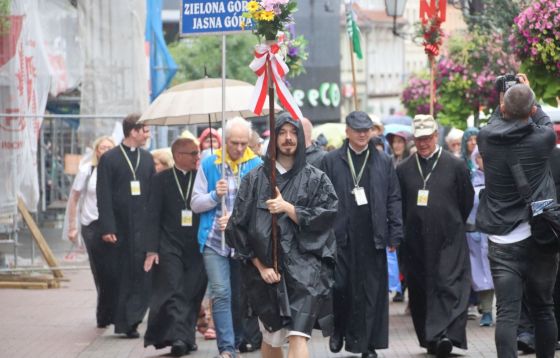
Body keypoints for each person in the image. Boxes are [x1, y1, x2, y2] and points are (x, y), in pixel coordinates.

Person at [226, 112, 338, 358]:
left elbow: (328, 215)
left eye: (293, 132)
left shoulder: (316, 179)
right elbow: (237, 229)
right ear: (273, 137)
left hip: (305, 271)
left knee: (299, 335)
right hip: (268, 274)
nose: (288, 138)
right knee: (273, 338)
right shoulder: (254, 180)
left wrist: (289, 208)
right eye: (282, 132)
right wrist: (260, 266)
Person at [477, 83, 558, 358]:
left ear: (501, 108)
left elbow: (494, 119)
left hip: (502, 239)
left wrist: (505, 97)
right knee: (543, 308)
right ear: (532, 109)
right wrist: (527, 96)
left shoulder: (485, 138)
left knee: (508, 313)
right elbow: (544, 119)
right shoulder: (543, 139)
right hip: (539, 236)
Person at [322, 111, 403, 358]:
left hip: (373, 234)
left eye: (367, 129)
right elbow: (322, 198)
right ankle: (339, 328)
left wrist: (395, 232)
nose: (362, 134)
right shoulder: (332, 160)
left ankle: (367, 344)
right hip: (341, 235)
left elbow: (393, 197)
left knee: (371, 292)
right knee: (342, 286)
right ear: (347, 131)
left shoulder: (383, 160)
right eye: (357, 129)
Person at [396, 114, 474, 357]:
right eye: (419, 138)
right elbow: (401, 204)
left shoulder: (456, 165)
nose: (423, 143)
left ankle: (446, 335)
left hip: (449, 238)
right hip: (416, 242)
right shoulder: (404, 169)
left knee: (449, 284)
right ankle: (431, 338)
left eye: (428, 137)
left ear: (436, 136)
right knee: (420, 289)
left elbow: (466, 200)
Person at [191, 117, 262, 358]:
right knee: (220, 292)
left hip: (243, 241)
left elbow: (261, 206)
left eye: (244, 143)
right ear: (225, 141)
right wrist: (213, 195)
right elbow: (195, 203)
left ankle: (239, 338)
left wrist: (234, 218)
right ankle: (227, 348)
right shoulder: (210, 163)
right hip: (213, 241)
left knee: (240, 295)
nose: (240, 148)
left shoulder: (256, 164)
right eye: (234, 143)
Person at [143, 138, 207, 356]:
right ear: (178, 155)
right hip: (169, 244)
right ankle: (178, 338)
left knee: (192, 292)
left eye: (198, 153)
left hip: (196, 244)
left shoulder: (202, 178)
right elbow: (152, 215)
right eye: (193, 153)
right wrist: (151, 249)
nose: (197, 157)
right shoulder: (161, 180)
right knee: (173, 290)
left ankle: (187, 337)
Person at [96, 113, 155, 338]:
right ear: (134, 131)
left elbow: (151, 195)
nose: (148, 135)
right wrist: (107, 227)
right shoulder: (109, 159)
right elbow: (104, 195)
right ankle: (123, 321)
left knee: (142, 275)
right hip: (119, 228)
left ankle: (133, 318)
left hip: (141, 227)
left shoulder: (147, 159)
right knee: (121, 276)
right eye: (146, 130)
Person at [66, 135, 116, 328]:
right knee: (100, 269)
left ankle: (112, 309)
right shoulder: (88, 170)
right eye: (102, 148)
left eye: (109, 148)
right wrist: (72, 226)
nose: (106, 151)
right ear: (96, 151)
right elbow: (74, 198)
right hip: (92, 225)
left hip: (112, 225)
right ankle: (104, 314)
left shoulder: (117, 171)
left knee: (114, 269)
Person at [465, 146, 495, 327]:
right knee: (481, 274)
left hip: (497, 234)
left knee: (498, 274)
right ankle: (487, 311)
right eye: (481, 157)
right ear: (476, 159)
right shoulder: (470, 179)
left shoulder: (500, 177)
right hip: (475, 234)